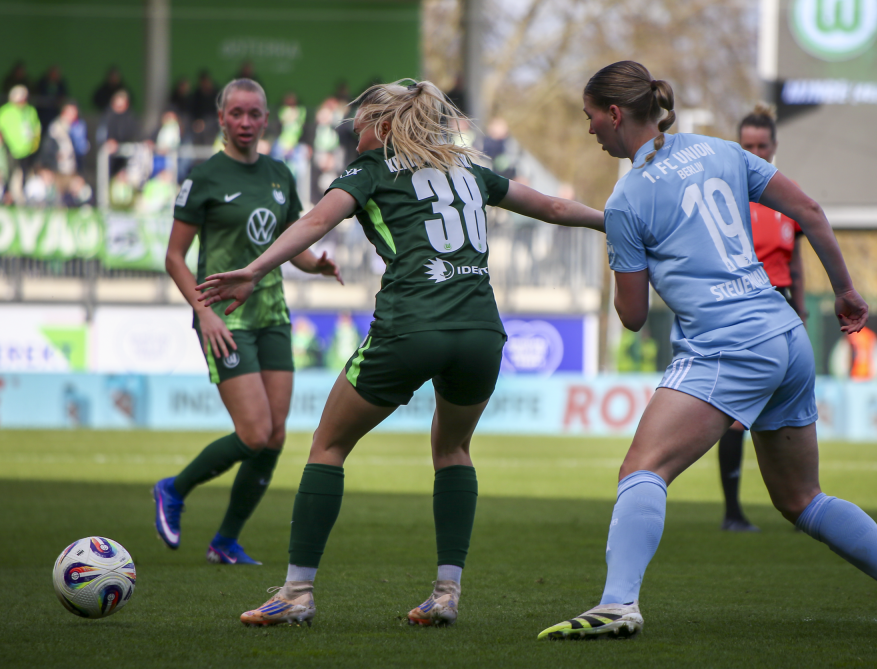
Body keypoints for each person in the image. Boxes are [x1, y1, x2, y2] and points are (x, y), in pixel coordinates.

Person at [537, 61, 877, 641]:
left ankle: (617, 604)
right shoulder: (719, 151)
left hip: (727, 344)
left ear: (614, 114)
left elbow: (631, 317)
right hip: (785, 333)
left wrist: (623, 247)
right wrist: (845, 290)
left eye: (589, 117)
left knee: (643, 468)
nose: (588, 130)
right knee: (801, 497)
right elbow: (809, 210)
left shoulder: (627, 198)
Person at [195, 79, 605, 628]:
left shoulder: (371, 170)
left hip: (412, 327)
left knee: (327, 445)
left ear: (385, 126)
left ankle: (296, 593)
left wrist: (253, 269)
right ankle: (446, 593)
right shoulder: (468, 168)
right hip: (481, 332)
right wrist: (611, 220)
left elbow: (315, 221)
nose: (354, 132)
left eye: (361, 122)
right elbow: (552, 206)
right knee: (453, 449)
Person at [152, 79, 343, 567]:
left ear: (266, 119)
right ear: (221, 118)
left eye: (254, 113)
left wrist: (315, 265)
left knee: (275, 437)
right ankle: (174, 489)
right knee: (254, 433)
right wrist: (204, 312)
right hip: (224, 319)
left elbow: (289, 242)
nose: (245, 122)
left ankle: (225, 541)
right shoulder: (204, 177)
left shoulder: (280, 173)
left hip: (273, 315)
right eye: (236, 113)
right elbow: (174, 256)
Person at [716, 103, 809, 532]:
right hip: (743, 309)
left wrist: (801, 310)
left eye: (761, 146)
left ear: (774, 146)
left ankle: (802, 506)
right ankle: (733, 512)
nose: (754, 153)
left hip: (783, 308)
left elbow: (796, 262)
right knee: (736, 415)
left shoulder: (787, 195)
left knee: (788, 410)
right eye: (747, 146)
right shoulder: (725, 194)